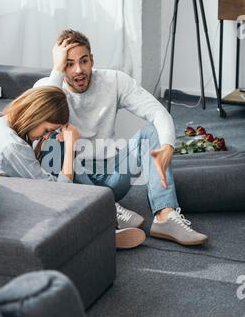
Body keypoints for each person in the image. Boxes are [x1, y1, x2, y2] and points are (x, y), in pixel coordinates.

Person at [34, 30, 208, 247]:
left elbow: (157, 111)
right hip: (76, 180)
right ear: (60, 66)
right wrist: (56, 71)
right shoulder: (47, 86)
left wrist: (168, 147)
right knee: (52, 141)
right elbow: (43, 117)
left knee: (150, 133)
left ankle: (165, 215)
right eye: (69, 64)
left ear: (92, 60)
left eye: (84, 61)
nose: (78, 70)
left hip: (113, 175)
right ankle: (106, 207)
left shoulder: (113, 80)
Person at [0, 85, 145, 249]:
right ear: (36, 115)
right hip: (10, 204)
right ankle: (101, 224)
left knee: (59, 141)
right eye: (46, 130)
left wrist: (58, 138)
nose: (45, 135)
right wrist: (71, 145)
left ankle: (103, 209)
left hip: (17, 188)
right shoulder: (12, 146)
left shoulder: (4, 119)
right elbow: (59, 192)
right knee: (65, 149)